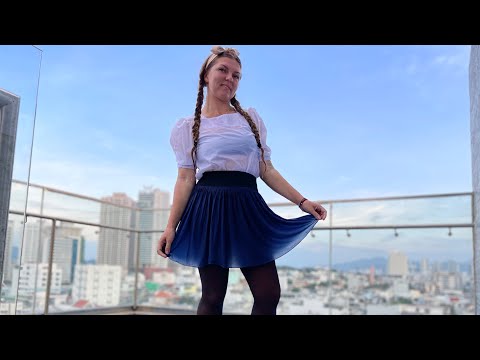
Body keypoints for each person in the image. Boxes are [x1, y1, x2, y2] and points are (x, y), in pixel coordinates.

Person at [157, 45, 327, 315]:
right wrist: (170, 227)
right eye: (223, 70)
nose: (230, 78)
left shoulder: (251, 120)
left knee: (268, 293)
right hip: (208, 209)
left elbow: (266, 170)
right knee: (212, 296)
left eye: (236, 75)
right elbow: (185, 178)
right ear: (205, 76)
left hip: (247, 208)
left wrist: (302, 201)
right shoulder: (187, 126)